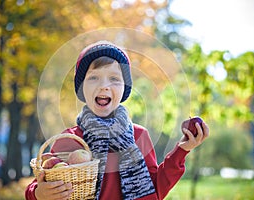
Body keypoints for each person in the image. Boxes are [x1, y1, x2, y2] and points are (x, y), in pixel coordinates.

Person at [25, 41, 209, 200]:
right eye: (94, 78)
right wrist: (38, 194)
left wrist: (182, 150)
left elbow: (155, 190)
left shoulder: (139, 136)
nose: (104, 86)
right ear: (81, 89)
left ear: (124, 89)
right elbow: (38, 186)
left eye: (114, 79)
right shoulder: (69, 139)